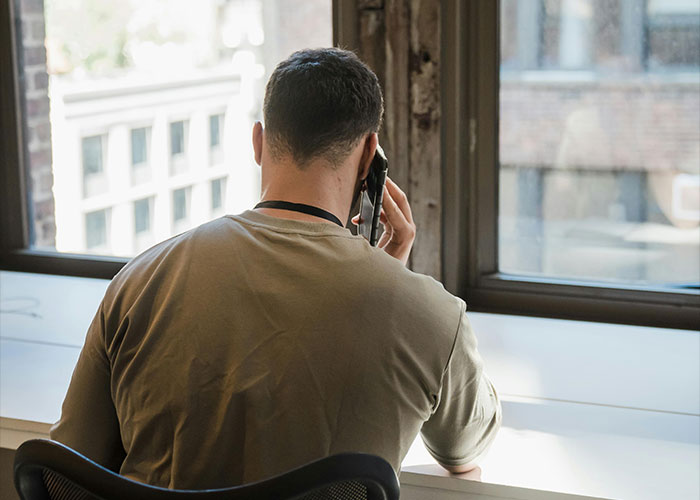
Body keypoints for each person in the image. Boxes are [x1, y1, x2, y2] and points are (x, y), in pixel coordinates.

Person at [50, 48, 501, 489]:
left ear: (258, 142)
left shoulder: (140, 281)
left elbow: (70, 458)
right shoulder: (431, 315)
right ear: (369, 158)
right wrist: (392, 283)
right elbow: (465, 451)